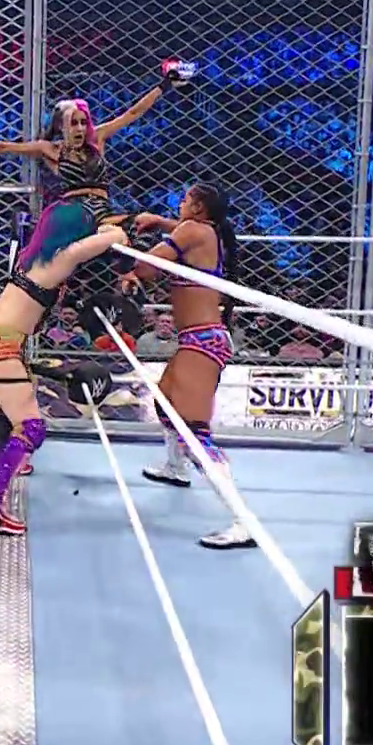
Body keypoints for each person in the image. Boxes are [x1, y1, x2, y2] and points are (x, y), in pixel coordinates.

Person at [0, 217, 138, 536]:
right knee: (31, 427)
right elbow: (108, 238)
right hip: (3, 344)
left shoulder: (37, 257)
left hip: (2, 341)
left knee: (25, 418)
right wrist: (113, 231)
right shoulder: (58, 258)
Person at [0, 66, 189, 269]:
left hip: (103, 211)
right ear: (62, 126)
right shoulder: (51, 149)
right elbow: (5, 147)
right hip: (77, 212)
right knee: (115, 237)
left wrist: (164, 85)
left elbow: (133, 112)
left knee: (149, 220)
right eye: (74, 123)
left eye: (83, 122)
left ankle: (193, 231)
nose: (80, 128)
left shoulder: (97, 139)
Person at [122, 183, 255, 550]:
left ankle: (243, 522)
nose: (179, 204)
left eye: (184, 200)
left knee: (194, 434)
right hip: (197, 339)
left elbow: (146, 268)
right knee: (164, 403)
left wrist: (116, 245)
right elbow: (180, 231)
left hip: (203, 342)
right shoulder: (206, 231)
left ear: (197, 208)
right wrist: (159, 222)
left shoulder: (193, 231)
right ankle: (175, 468)